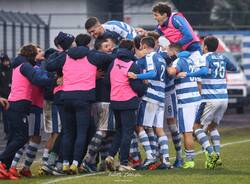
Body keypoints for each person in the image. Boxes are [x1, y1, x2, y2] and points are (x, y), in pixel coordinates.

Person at [182, 36, 238, 169]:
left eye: (203, 45)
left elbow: (204, 71)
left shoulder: (205, 57)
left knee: (196, 127)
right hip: (224, 98)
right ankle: (217, 157)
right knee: (212, 127)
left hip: (210, 98)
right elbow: (234, 68)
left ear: (205, 46)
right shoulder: (222, 57)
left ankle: (212, 154)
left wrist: (188, 74)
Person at [0, 44, 52, 180]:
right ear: (32, 54)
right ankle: (2, 161)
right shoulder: (25, 66)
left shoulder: (21, 65)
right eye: (37, 52)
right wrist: (53, 80)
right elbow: (37, 79)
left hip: (17, 104)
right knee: (21, 137)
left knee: (14, 137)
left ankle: (5, 166)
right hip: (19, 104)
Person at [128, 36, 171, 169]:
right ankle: (165, 159)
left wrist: (137, 76)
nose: (140, 49)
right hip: (161, 95)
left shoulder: (150, 57)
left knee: (139, 126)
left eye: (141, 46)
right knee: (158, 128)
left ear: (145, 46)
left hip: (151, 95)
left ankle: (151, 157)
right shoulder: (161, 58)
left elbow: (152, 73)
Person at [105, 40, 147, 171]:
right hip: (128, 101)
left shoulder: (113, 62)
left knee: (119, 131)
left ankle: (110, 155)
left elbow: (106, 81)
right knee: (127, 133)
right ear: (132, 49)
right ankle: (123, 162)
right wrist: (144, 86)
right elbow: (136, 86)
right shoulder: (132, 65)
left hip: (115, 101)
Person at [167, 43, 201, 169]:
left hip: (186, 101)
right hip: (197, 98)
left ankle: (189, 161)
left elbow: (171, 71)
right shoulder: (191, 61)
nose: (167, 54)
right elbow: (198, 83)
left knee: (187, 132)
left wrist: (163, 65)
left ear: (174, 51)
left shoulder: (178, 61)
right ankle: (211, 153)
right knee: (197, 130)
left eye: (168, 51)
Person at [0, 54, 12, 137]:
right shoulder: (1, 70)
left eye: (7, 60)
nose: (6, 62)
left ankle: (9, 132)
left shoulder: (12, 69)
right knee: (6, 115)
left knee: (9, 115)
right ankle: (7, 132)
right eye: (4, 61)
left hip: (10, 96)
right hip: (3, 96)